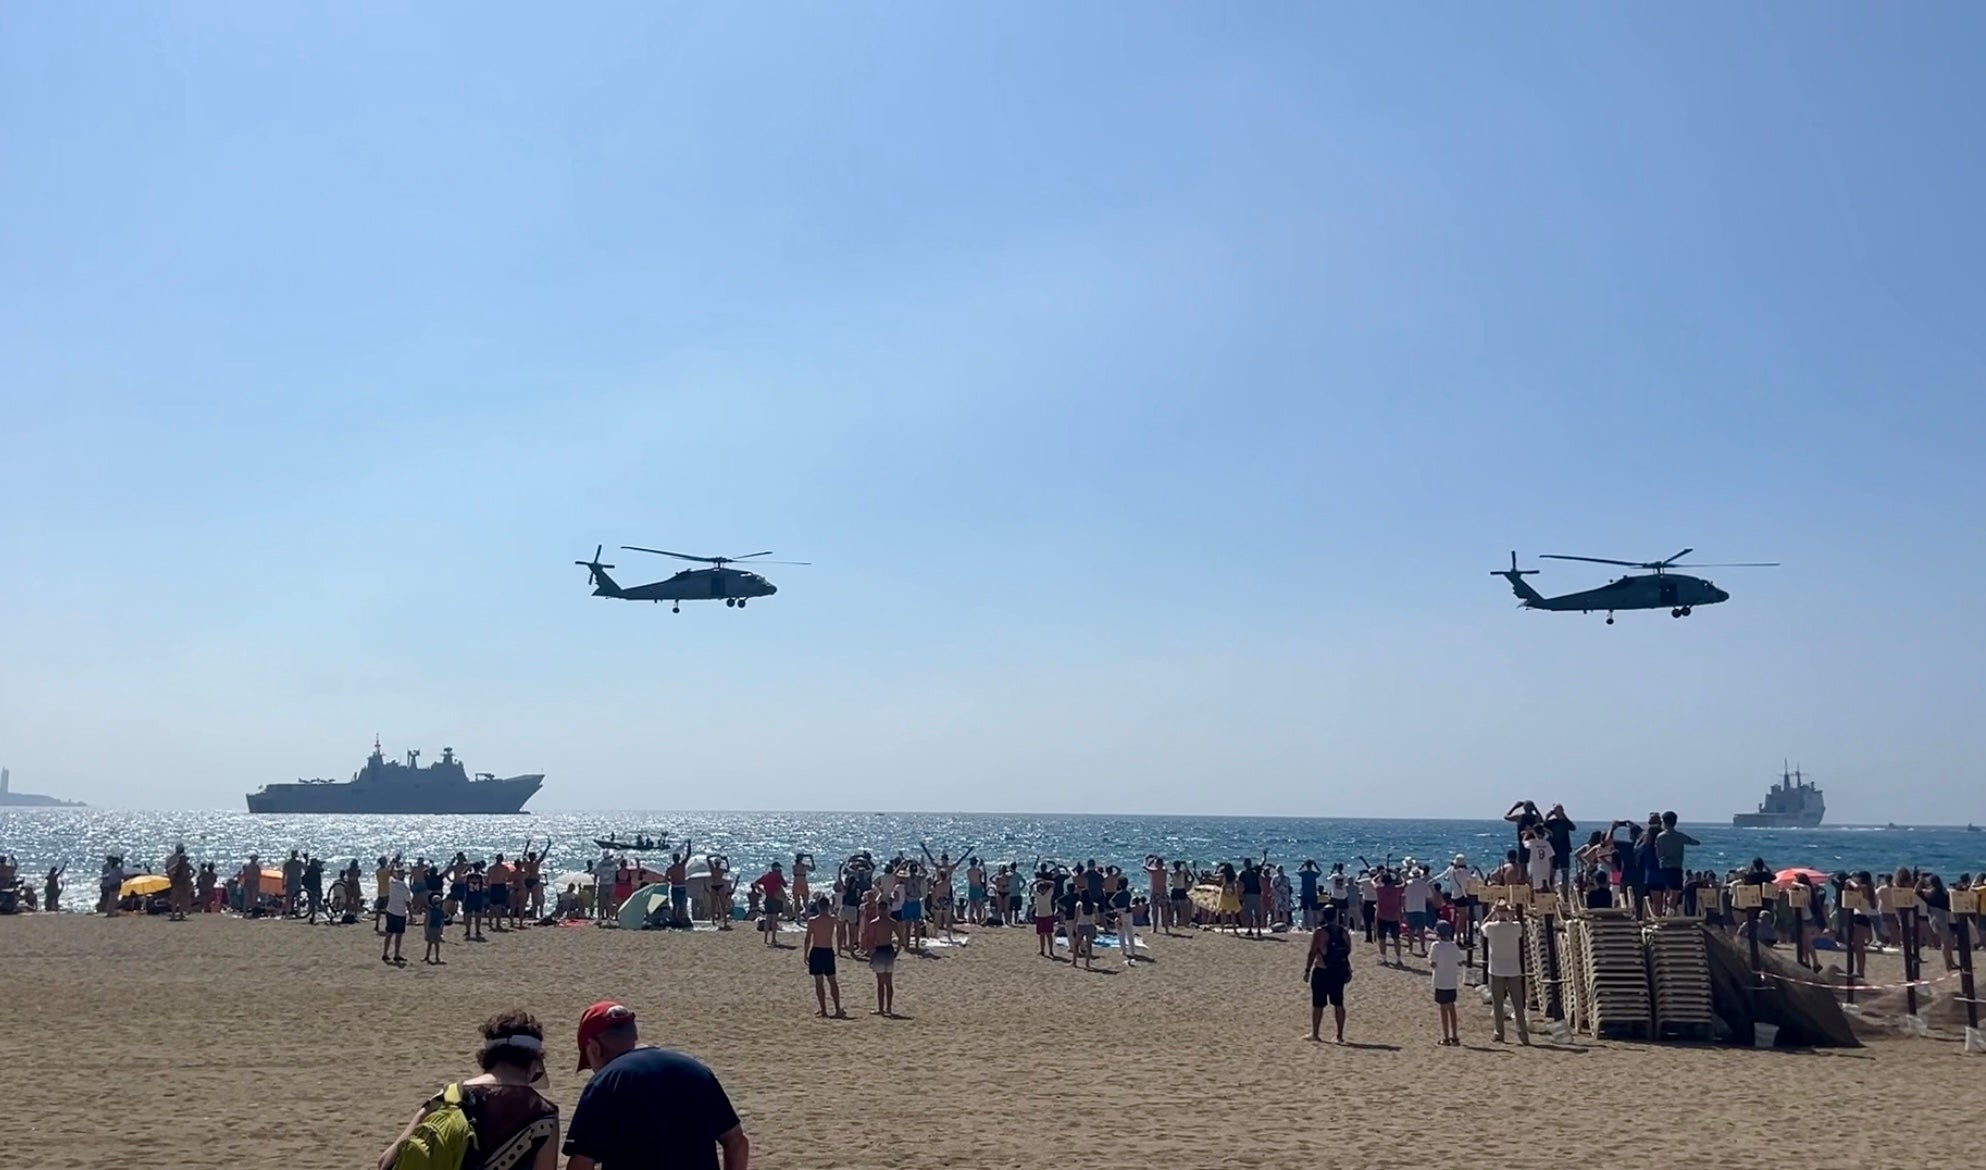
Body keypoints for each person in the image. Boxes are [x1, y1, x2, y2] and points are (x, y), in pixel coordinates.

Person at [565, 1001, 747, 1170]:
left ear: (594, 1048)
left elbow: (581, 1162)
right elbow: (736, 1141)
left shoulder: (605, 1082)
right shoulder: (696, 1070)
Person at [379, 1008, 560, 1170]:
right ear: (534, 1063)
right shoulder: (544, 1114)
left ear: (487, 1057)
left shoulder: (450, 1097)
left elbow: (385, 1162)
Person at [1480, 900, 1529, 1044]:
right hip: (1513, 968)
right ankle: (1523, 1033)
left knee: (1498, 1004)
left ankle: (1499, 1032)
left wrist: (1492, 913)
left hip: (1496, 969)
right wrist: (1512, 915)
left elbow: (1483, 924)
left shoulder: (1491, 927)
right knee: (1518, 1004)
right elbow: (1519, 927)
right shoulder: (1515, 927)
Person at [1304, 906, 1352, 1043]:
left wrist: (1307, 970)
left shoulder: (1320, 932)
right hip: (1338, 970)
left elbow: (1312, 952)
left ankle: (1315, 1033)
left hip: (1322, 970)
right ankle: (1339, 1035)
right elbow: (1348, 951)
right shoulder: (1343, 932)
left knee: (1318, 1004)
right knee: (1338, 1003)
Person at [1652, 812, 1701, 916]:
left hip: (1663, 866)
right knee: (1675, 891)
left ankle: (1665, 910)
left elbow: (1658, 853)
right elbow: (1695, 842)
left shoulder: (1660, 837)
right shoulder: (1680, 836)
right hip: (1676, 867)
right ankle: (1670, 911)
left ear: (1664, 822)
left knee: (1666, 890)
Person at [804, 895, 844, 1018]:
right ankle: (837, 1009)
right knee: (832, 981)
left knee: (819, 982)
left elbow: (808, 939)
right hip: (827, 951)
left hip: (816, 951)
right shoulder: (832, 920)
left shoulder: (812, 921)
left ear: (818, 906)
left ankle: (824, 1010)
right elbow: (840, 928)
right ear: (828, 906)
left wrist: (805, 954)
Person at [863, 890, 898, 1017]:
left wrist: (870, 954)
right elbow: (900, 939)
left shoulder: (874, 923)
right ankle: (888, 1007)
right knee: (889, 982)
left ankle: (881, 1008)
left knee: (880, 983)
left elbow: (870, 941)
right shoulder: (892, 922)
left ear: (879, 909)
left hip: (879, 950)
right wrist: (897, 951)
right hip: (888, 949)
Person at [1428, 919, 1463, 1046]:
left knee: (1443, 1009)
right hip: (1451, 981)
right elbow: (1460, 961)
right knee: (1452, 1008)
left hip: (1440, 981)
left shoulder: (1436, 946)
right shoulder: (1453, 946)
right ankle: (1455, 1036)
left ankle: (1446, 1036)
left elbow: (1432, 963)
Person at [1372, 869, 1404, 966]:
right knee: (1396, 939)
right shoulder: (1397, 889)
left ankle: (1384, 958)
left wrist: (1378, 875)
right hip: (1394, 917)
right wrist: (1397, 874)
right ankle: (1398, 959)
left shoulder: (1379, 889)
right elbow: (1404, 882)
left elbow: (1372, 881)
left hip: (1382, 916)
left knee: (1382, 939)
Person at [381, 866, 412, 965]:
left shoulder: (392, 883)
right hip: (400, 913)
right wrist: (411, 916)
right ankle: (396, 954)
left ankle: (385, 953)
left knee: (389, 933)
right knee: (398, 935)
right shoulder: (404, 887)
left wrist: (393, 865)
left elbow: (389, 873)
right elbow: (408, 903)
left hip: (390, 911)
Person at [422, 892, 447, 964]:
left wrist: (426, 930)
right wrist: (441, 930)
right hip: (437, 928)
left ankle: (428, 956)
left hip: (431, 928)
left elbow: (427, 920)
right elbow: (442, 922)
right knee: (436, 944)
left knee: (430, 943)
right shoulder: (441, 912)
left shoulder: (431, 911)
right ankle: (436, 957)